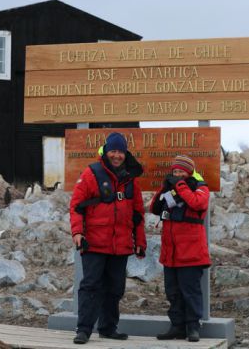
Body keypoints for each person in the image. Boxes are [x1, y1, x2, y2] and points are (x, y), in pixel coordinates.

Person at [69, 132, 146, 344]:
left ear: (125, 153)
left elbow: (138, 214)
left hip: (120, 245)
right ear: (106, 151)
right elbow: (76, 206)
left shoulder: (131, 180)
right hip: (94, 242)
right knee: (91, 286)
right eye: (113, 150)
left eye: (120, 151)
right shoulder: (91, 173)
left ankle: (108, 328)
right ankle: (83, 329)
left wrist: (140, 242)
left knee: (115, 288)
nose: (117, 155)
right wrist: (77, 232)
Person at [150, 155, 211, 342]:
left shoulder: (201, 189)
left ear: (189, 172)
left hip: (191, 252)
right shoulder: (172, 189)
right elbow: (154, 208)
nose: (177, 175)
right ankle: (177, 327)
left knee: (190, 292)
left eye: (181, 172)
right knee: (173, 292)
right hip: (171, 252)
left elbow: (197, 203)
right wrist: (165, 188)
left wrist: (179, 186)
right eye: (175, 172)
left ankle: (193, 327)